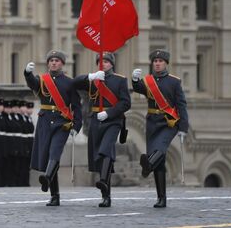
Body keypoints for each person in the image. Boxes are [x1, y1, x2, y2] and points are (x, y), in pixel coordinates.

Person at [132, 49, 189, 208]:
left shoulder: (174, 81)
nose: (157, 64)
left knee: (160, 148)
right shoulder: (148, 80)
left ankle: (147, 165)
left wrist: (183, 127)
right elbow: (139, 89)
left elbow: (182, 105)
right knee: (160, 162)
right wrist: (135, 79)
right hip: (152, 122)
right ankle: (161, 198)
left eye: (160, 61)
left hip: (168, 122)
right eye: (155, 61)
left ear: (165, 64)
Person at [24, 50, 82, 206]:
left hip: (62, 123)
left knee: (54, 153)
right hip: (45, 122)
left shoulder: (69, 83)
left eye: (57, 60)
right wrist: (28, 73)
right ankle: (54, 195)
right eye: (51, 60)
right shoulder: (42, 80)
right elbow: (32, 84)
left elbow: (76, 106)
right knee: (48, 156)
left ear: (62, 63)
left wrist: (76, 125)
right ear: (48, 63)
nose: (54, 63)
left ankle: (47, 177)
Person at [73, 52, 130, 207]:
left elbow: (126, 103)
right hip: (95, 120)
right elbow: (74, 83)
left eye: (105, 61)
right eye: (100, 61)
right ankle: (106, 196)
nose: (103, 64)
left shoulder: (120, 80)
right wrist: (90, 77)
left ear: (111, 63)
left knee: (105, 149)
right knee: (100, 156)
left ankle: (103, 180)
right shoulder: (94, 80)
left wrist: (109, 113)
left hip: (113, 120)